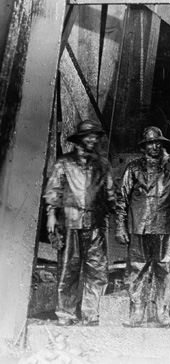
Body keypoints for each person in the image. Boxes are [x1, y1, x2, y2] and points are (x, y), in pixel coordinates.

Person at [115, 126, 170, 327]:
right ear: (144, 146)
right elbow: (121, 199)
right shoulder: (133, 168)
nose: (155, 146)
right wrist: (120, 227)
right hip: (139, 227)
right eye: (150, 143)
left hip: (165, 227)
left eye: (158, 142)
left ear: (162, 145)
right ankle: (137, 311)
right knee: (136, 270)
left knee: (165, 271)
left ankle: (162, 312)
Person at [44, 120, 116, 326]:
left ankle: (91, 313)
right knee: (69, 268)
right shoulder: (64, 163)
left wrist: (117, 215)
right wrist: (51, 215)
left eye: (95, 136)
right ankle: (66, 313)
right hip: (70, 222)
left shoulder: (103, 164)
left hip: (96, 223)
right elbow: (53, 191)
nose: (93, 139)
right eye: (89, 136)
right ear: (79, 140)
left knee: (97, 268)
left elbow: (111, 193)